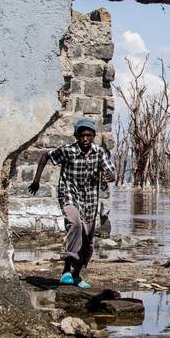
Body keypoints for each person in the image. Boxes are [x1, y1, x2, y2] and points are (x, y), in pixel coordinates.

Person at [28, 118, 114, 289]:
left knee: (88, 240)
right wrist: (37, 180)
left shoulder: (99, 153)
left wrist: (111, 176)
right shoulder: (68, 151)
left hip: (89, 199)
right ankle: (67, 269)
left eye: (88, 135)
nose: (85, 139)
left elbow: (110, 170)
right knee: (74, 223)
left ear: (94, 136)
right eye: (81, 135)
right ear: (76, 136)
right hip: (69, 193)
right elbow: (46, 156)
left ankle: (76, 274)